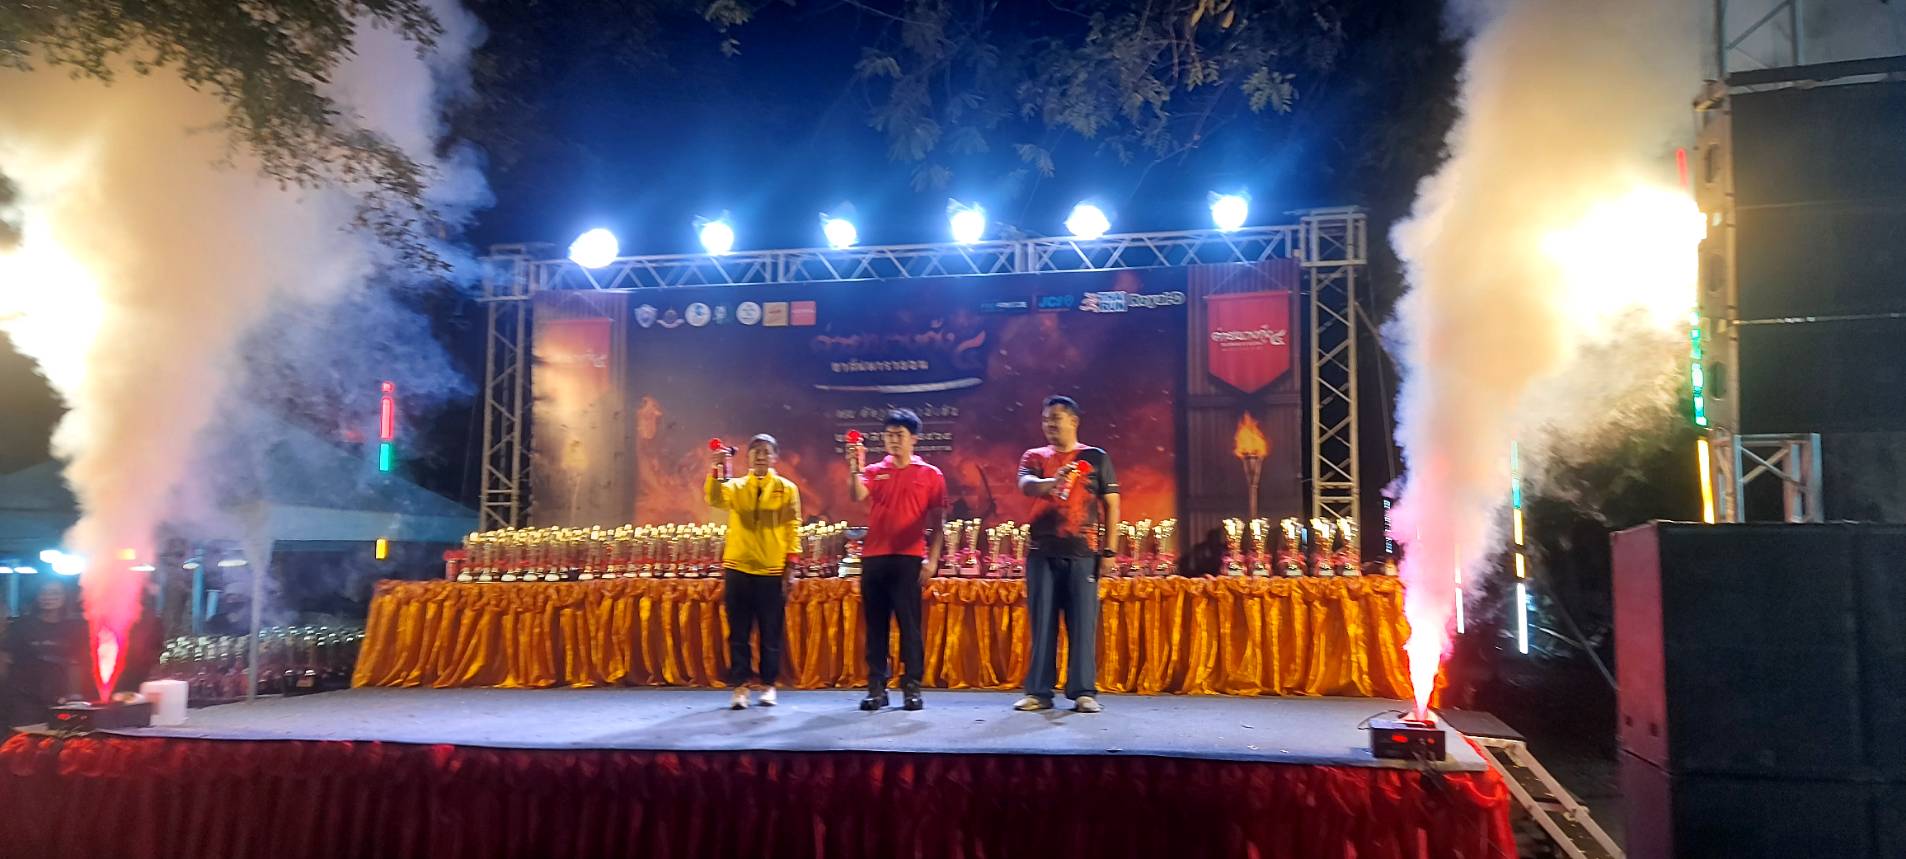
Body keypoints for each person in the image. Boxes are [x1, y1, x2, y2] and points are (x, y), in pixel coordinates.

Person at [1014, 395, 1120, 714]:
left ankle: (1083, 692)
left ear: (1074, 421)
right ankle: (1039, 692)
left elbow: (1112, 505)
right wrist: (1052, 482)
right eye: (1045, 419)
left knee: (1083, 624)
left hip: (1083, 553)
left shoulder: (1095, 457)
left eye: (1055, 418)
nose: (1049, 424)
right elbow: (1026, 485)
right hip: (1042, 552)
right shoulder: (1034, 456)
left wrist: (1109, 550)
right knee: (1042, 624)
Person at [847, 409, 946, 711]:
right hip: (874, 559)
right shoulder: (875, 470)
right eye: (889, 435)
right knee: (876, 626)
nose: (893, 440)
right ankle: (877, 687)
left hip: (909, 559)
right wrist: (854, 468)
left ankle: (912, 687)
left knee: (909, 626)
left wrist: (932, 561)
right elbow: (856, 495)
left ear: (914, 438)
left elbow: (938, 523)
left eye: (899, 435)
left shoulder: (931, 474)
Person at [706, 433, 803, 710]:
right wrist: (716, 468)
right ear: (747, 457)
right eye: (755, 451)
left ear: (775, 457)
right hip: (738, 568)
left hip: (772, 570)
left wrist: (791, 565)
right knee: (739, 632)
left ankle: (769, 684)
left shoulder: (787, 489)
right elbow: (714, 498)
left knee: (771, 632)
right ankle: (740, 686)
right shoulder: (735, 486)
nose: (760, 456)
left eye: (766, 451)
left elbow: (793, 526)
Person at [3, 582, 90, 728]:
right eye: (44, 592)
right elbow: (5, 658)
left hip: (60, 695)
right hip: (24, 695)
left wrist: (75, 695)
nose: (48, 597)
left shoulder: (75, 627)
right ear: (37, 596)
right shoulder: (21, 626)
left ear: (65, 597)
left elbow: (76, 664)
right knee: (24, 735)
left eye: (55, 593)